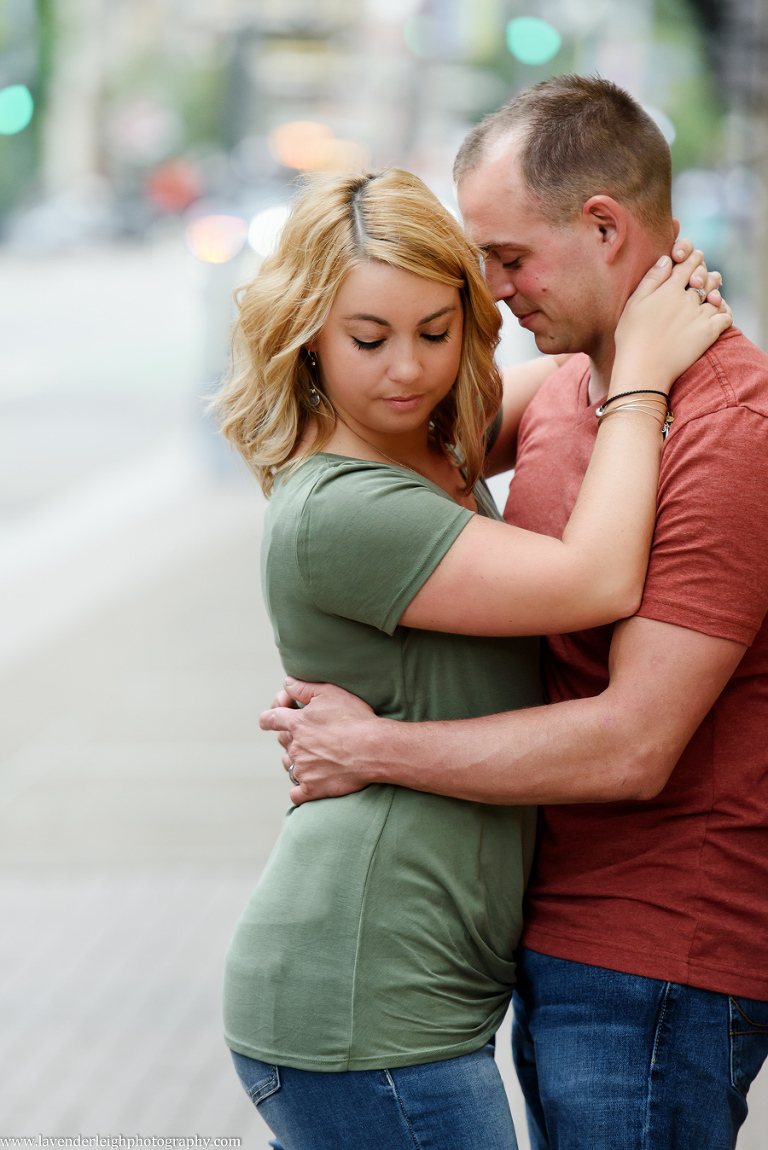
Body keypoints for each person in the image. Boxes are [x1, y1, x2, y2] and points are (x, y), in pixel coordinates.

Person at [261, 77, 768, 1150]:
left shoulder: (730, 433)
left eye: (506, 259)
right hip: (535, 944)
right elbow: (385, 434)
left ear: (603, 227)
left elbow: (632, 742)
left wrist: (377, 745)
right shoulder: (573, 388)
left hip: (657, 959)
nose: (492, 299)